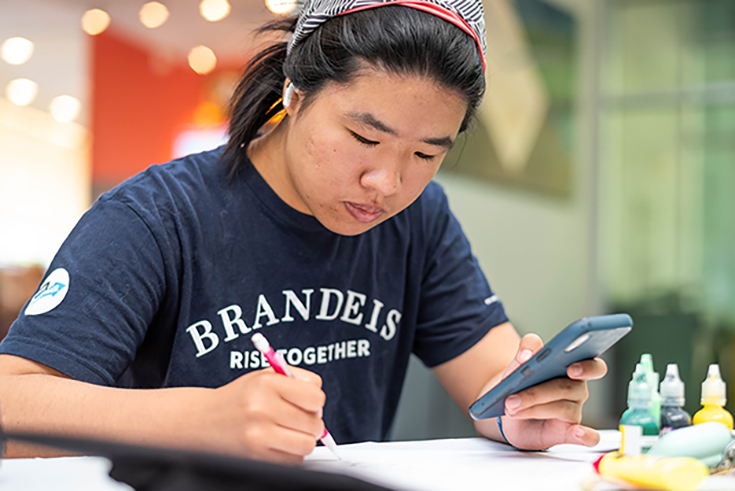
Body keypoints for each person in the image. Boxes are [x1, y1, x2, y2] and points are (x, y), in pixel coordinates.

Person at [0, 0, 606, 463]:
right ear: (294, 92)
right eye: (365, 138)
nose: (386, 182)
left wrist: (523, 409)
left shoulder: (419, 221)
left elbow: (492, 381)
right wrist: (199, 419)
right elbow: (13, 403)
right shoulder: (155, 217)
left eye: (425, 154)